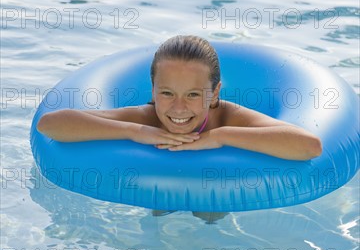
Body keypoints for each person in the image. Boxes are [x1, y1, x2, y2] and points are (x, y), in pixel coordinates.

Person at [38, 35, 322, 161]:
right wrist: (134, 131)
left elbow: (309, 146)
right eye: (167, 93)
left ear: (215, 94)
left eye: (194, 95)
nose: (178, 107)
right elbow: (50, 125)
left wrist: (221, 136)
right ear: (153, 91)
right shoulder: (146, 118)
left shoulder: (230, 117)